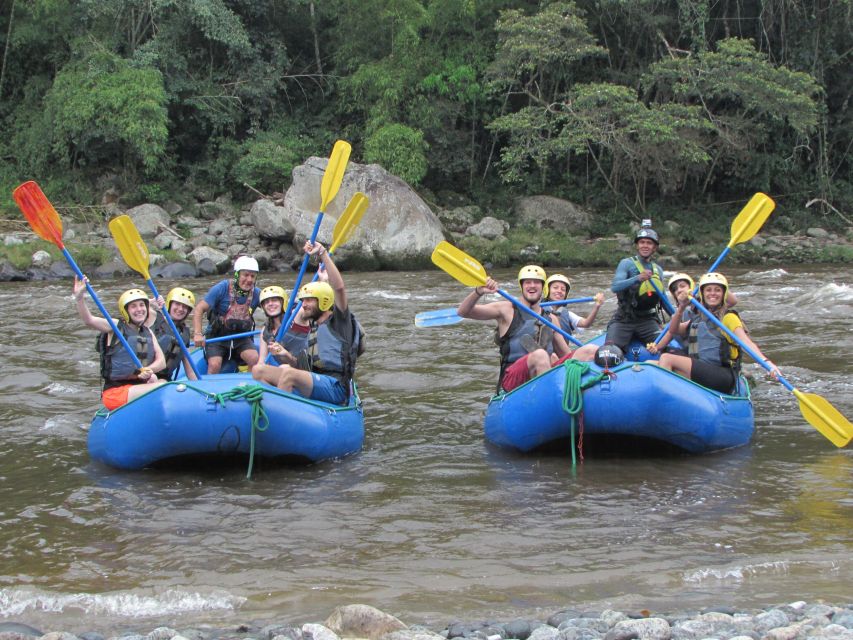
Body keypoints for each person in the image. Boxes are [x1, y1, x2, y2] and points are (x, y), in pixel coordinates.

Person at [252, 241, 363, 406]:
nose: (303, 305)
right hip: (314, 378)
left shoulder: (340, 321)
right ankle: (276, 404)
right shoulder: (313, 325)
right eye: (303, 301)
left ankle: (281, 414)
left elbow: (339, 288)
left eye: (309, 301)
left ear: (323, 302)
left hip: (336, 386)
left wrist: (323, 254)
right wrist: (284, 354)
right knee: (258, 371)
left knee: (288, 374)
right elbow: (301, 365)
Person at [654, 272, 779, 393]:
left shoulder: (728, 318)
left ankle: (668, 402)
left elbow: (746, 343)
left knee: (666, 358)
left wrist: (767, 363)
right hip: (702, 369)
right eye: (708, 290)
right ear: (702, 293)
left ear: (723, 294)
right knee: (651, 364)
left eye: (717, 290)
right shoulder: (699, 317)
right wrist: (681, 307)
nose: (712, 293)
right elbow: (673, 330)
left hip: (722, 375)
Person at [457, 265, 573, 393]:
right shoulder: (506, 309)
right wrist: (478, 291)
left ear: (543, 287)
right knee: (540, 355)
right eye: (528, 282)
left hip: (542, 375)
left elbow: (567, 355)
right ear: (522, 286)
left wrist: (590, 360)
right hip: (512, 381)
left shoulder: (551, 318)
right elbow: (464, 312)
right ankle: (550, 401)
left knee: (586, 351)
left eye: (536, 282)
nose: (532, 285)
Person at [73, 277, 166, 410]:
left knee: (160, 380)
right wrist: (79, 297)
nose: (139, 309)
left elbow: (161, 361)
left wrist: (148, 370)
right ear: (125, 310)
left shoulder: (147, 332)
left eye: (141, 305)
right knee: (160, 386)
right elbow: (89, 320)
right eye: (133, 306)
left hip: (136, 387)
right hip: (115, 392)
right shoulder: (116, 326)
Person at [603, 222, 667, 354]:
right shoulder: (626, 264)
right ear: (637, 245)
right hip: (624, 319)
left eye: (649, 243)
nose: (645, 245)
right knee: (609, 353)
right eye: (642, 242)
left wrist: (679, 315)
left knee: (666, 349)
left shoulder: (658, 270)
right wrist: (637, 278)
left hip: (648, 320)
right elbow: (615, 287)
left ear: (654, 247)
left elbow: (663, 298)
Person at [192, 256, 261, 374]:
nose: (249, 279)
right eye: (245, 275)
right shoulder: (222, 288)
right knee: (214, 365)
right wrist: (197, 334)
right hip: (217, 338)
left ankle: (248, 386)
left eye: (252, 276)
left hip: (241, 338)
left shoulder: (257, 294)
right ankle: (210, 390)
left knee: (254, 358)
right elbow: (199, 309)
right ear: (237, 275)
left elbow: (274, 307)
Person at [148, 287, 197, 381]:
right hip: (146, 374)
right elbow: (135, 306)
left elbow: (189, 369)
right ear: (169, 304)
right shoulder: (154, 317)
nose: (180, 309)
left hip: (164, 378)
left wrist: (199, 385)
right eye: (177, 304)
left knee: (161, 381)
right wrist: (151, 301)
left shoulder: (184, 333)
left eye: (185, 307)